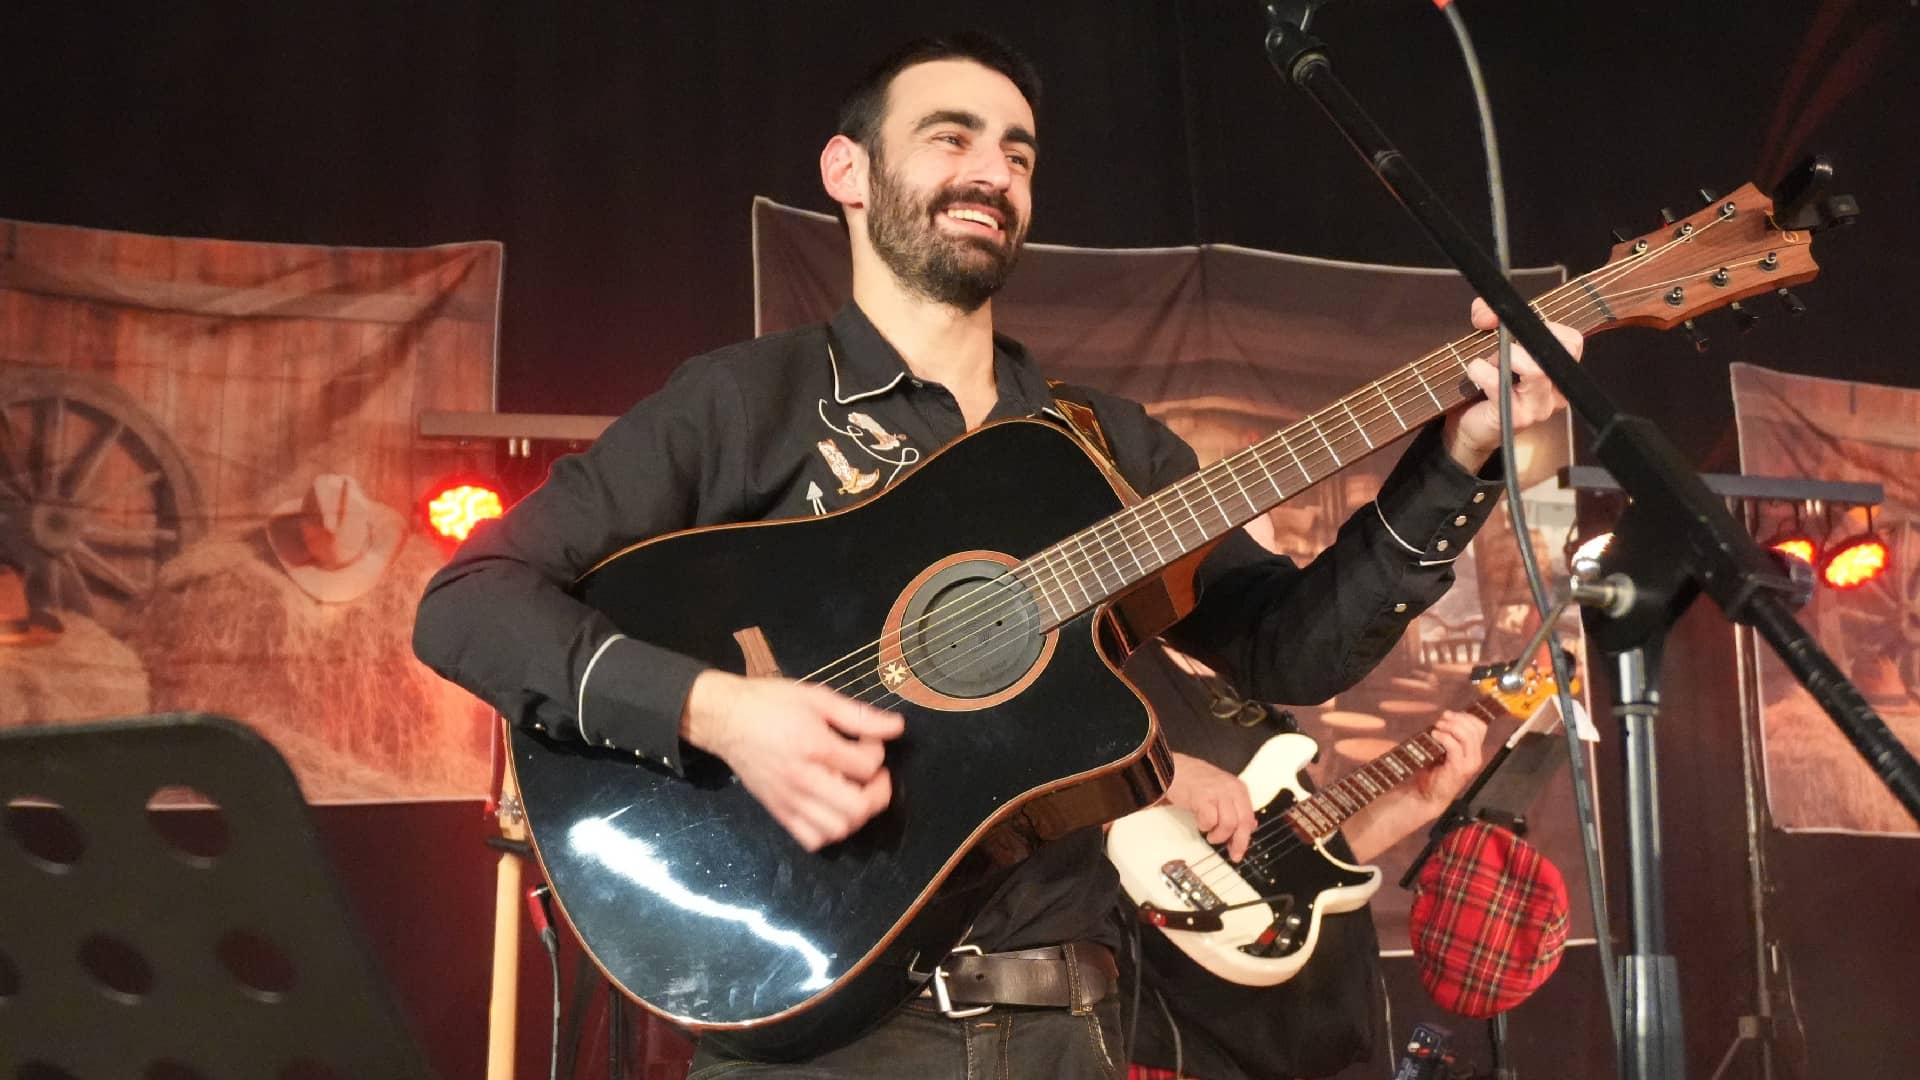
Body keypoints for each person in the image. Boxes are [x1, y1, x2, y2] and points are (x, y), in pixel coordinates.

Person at [412, 31, 1575, 1080]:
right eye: (951, 137)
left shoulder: (1106, 448)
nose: (993, 171)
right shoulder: (742, 405)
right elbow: (469, 602)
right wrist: (720, 712)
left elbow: (1289, 652)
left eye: (1017, 153)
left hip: (1074, 1027)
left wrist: (1462, 449)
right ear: (848, 172)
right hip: (820, 1043)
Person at [1118, 640, 1491, 1080]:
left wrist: (1420, 799)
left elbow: (1296, 854)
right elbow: (1039, 799)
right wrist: (1161, 770)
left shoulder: (1231, 660)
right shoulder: (1113, 653)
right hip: (1174, 1038)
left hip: (1282, 1040)